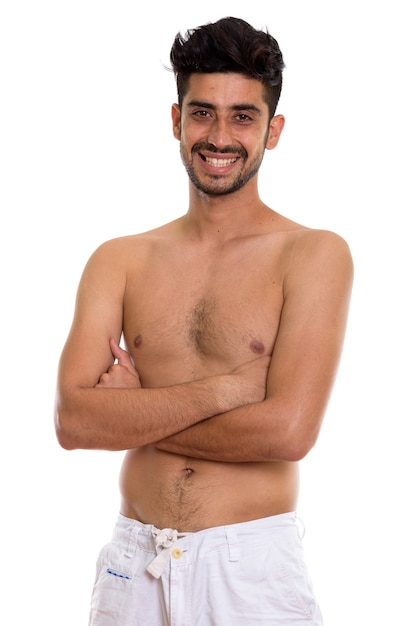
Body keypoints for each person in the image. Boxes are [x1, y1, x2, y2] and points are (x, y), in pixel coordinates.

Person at [54, 16, 353, 625]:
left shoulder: (314, 254)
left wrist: (133, 415)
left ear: (274, 131)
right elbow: (73, 419)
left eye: (243, 115)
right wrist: (231, 390)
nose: (220, 135)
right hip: (132, 566)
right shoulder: (120, 259)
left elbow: (287, 433)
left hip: (248, 571)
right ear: (175, 120)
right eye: (202, 113)